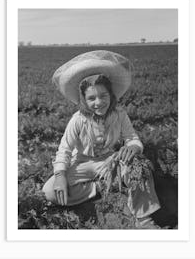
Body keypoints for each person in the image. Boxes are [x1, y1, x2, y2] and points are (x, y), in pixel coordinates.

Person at [42, 50, 160, 228]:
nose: (98, 102)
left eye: (103, 96)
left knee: (139, 167)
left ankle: (143, 219)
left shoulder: (119, 114)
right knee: (49, 192)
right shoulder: (78, 120)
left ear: (111, 95)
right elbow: (64, 150)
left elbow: (132, 137)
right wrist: (60, 175)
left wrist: (133, 147)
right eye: (91, 98)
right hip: (83, 164)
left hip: (109, 162)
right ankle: (102, 187)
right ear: (84, 100)